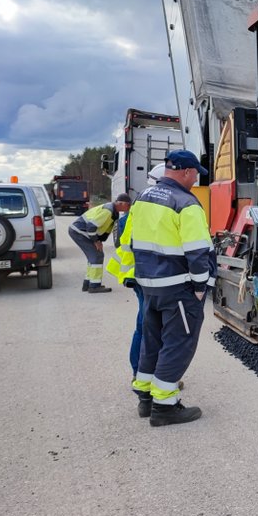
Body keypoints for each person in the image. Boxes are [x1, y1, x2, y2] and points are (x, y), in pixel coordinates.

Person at [129, 151, 214, 426]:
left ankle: (145, 398)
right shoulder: (186, 203)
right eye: (195, 173)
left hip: (150, 285)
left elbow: (130, 238)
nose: (196, 177)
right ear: (187, 172)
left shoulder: (143, 197)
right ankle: (165, 407)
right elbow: (198, 251)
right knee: (178, 343)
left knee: (152, 341)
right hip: (178, 288)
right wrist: (200, 286)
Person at [106, 164, 166, 398]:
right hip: (146, 276)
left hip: (136, 275)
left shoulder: (139, 204)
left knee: (145, 325)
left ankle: (141, 373)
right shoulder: (153, 206)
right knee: (148, 326)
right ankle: (145, 376)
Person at [68, 193, 132, 293]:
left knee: (93, 256)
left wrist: (99, 240)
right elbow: (91, 226)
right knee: (97, 256)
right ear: (121, 203)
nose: (129, 207)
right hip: (80, 231)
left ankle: (88, 283)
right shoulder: (108, 211)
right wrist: (96, 241)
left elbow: (103, 229)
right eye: (128, 205)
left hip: (81, 231)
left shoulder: (113, 211)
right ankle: (94, 286)